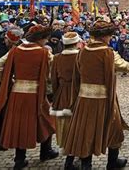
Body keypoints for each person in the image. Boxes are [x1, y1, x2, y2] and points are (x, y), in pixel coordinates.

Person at [62, 21, 129, 170]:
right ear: (104, 36)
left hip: (84, 100)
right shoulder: (108, 53)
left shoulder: (83, 51)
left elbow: (77, 76)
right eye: (109, 35)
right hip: (104, 99)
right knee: (114, 128)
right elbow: (127, 66)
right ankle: (112, 163)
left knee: (85, 130)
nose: (110, 38)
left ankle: (86, 164)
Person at [0, 25, 58, 169]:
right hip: (37, 94)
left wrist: (9, 82)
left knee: (19, 125)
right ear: (40, 38)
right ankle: (45, 151)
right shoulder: (45, 53)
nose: (46, 41)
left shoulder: (15, 50)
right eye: (45, 39)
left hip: (17, 94)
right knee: (47, 121)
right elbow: (51, 73)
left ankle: (19, 159)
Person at [50, 31, 80, 170]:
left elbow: (54, 79)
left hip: (62, 93)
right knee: (78, 126)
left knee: (66, 126)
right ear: (76, 43)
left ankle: (69, 156)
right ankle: (74, 156)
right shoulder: (81, 56)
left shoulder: (57, 58)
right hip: (77, 93)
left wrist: (56, 95)